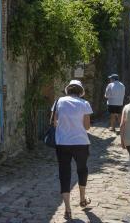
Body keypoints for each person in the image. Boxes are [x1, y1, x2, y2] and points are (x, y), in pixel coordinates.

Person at [52, 80, 93, 220]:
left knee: (64, 173)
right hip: (81, 142)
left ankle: (68, 209)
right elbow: (87, 127)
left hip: (63, 142)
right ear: (80, 91)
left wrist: (65, 128)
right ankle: (82, 198)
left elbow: (54, 122)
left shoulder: (59, 101)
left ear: (67, 90)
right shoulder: (85, 104)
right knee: (82, 169)